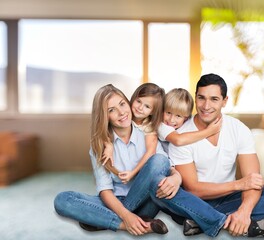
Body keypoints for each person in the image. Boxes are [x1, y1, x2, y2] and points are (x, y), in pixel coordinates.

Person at [168, 73, 264, 238]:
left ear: (225, 101)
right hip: (197, 201)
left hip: (230, 198)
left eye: (214, 99)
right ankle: (245, 224)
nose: (206, 105)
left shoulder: (239, 129)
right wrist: (239, 185)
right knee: (170, 197)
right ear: (195, 98)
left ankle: (204, 221)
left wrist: (245, 211)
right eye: (201, 98)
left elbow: (252, 179)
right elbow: (193, 190)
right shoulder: (182, 136)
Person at [53, 84, 181, 236]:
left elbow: (162, 164)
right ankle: (129, 224)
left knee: (159, 160)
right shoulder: (100, 146)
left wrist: (176, 177)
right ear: (104, 116)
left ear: (128, 102)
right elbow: (105, 190)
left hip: (145, 202)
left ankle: (101, 219)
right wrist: (126, 217)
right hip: (114, 201)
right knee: (63, 200)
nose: (121, 113)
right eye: (111, 110)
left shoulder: (147, 133)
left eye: (122, 104)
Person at [102, 83, 165, 184]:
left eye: (147, 106)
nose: (140, 107)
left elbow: (151, 152)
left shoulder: (148, 126)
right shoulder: (124, 116)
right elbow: (104, 128)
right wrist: (108, 144)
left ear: (152, 112)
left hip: (155, 168)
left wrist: (133, 173)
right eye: (138, 101)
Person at [158, 88, 222, 154]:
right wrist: (209, 131)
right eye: (168, 113)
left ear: (186, 118)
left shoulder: (189, 121)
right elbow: (178, 140)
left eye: (178, 116)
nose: (171, 120)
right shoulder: (161, 126)